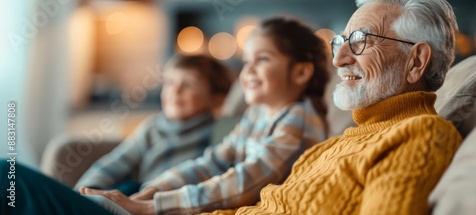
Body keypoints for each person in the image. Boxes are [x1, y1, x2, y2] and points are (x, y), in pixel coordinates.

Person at [1, 16, 330, 215]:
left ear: (301, 72)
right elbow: (213, 161)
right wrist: (152, 190)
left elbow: (245, 180)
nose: (248, 71)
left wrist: (151, 206)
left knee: (8, 176)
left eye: (263, 59)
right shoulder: (258, 113)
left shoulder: (299, 119)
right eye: (246, 61)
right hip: (161, 203)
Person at [205, 0, 463, 214]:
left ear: (416, 62)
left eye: (361, 40)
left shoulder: (421, 134)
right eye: (341, 42)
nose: (338, 60)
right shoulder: (333, 145)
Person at [74, 54, 234, 196]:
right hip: (134, 195)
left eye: (188, 84)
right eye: (170, 82)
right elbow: (117, 162)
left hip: (168, 202)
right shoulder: (152, 127)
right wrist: (87, 190)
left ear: (216, 99)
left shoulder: (219, 132)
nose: (175, 90)